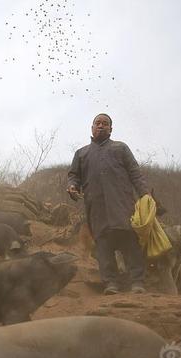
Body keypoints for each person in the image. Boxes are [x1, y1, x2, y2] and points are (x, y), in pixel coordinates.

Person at [67, 113, 149, 295]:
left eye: (105, 124)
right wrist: (72, 186)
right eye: (98, 123)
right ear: (92, 128)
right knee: (103, 247)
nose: (101, 126)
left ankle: (137, 282)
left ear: (111, 129)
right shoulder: (82, 153)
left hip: (122, 206)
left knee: (130, 244)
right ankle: (111, 283)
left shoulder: (121, 148)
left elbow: (135, 173)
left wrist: (145, 195)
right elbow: (74, 176)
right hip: (96, 209)